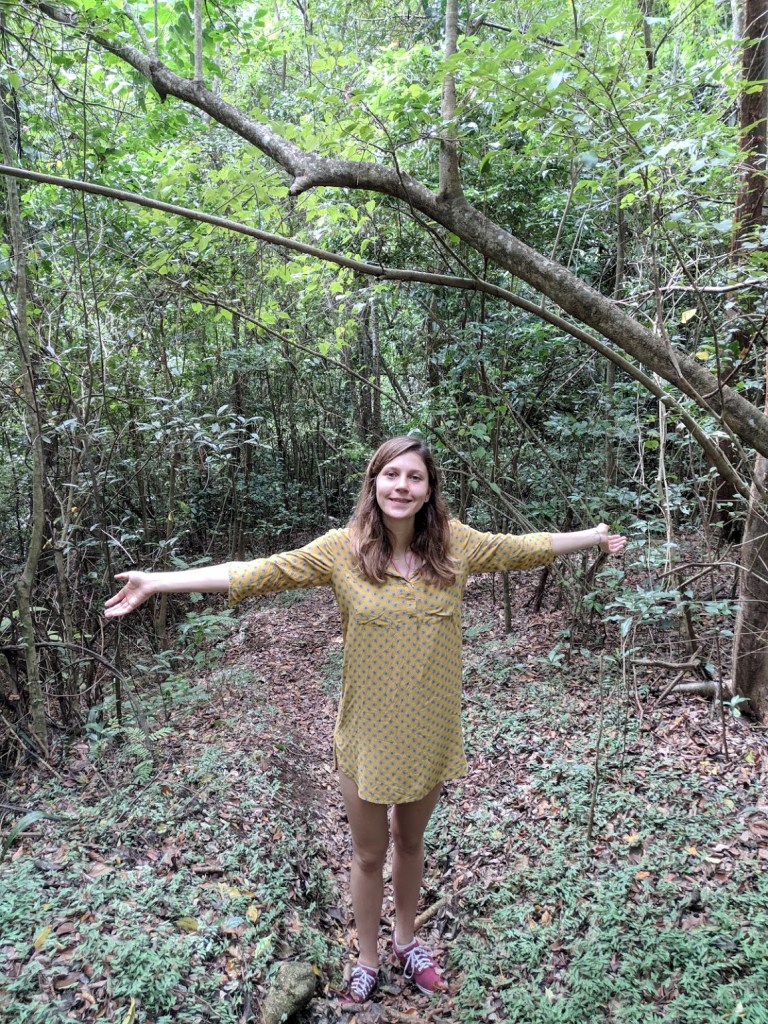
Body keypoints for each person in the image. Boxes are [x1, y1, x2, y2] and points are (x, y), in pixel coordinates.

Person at [105, 436, 626, 1004]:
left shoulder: (456, 546)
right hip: (366, 735)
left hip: (430, 730)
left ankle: (407, 942)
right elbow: (254, 572)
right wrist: (158, 580)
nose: (402, 486)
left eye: (415, 477)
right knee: (370, 853)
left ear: (429, 490)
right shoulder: (342, 550)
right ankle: (368, 958)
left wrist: (593, 536)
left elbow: (527, 547)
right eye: (391, 475)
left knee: (411, 842)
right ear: (374, 482)